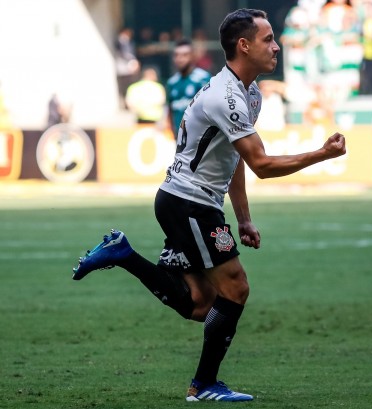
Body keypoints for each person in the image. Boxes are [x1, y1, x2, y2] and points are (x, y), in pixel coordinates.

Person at [72, 8, 346, 403]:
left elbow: (234, 160)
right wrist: (321, 154)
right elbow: (263, 165)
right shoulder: (227, 96)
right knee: (235, 288)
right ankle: (203, 386)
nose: (277, 45)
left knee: (201, 304)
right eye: (268, 39)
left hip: (188, 202)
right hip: (189, 203)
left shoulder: (248, 93)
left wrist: (245, 218)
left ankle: (123, 252)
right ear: (244, 45)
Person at [166, 38, 212, 137]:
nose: (180, 59)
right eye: (176, 55)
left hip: (200, 140)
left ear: (193, 56)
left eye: (184, 55)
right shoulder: (172, 82)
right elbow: (169, 110)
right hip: (179, 140)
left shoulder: (203, 79)